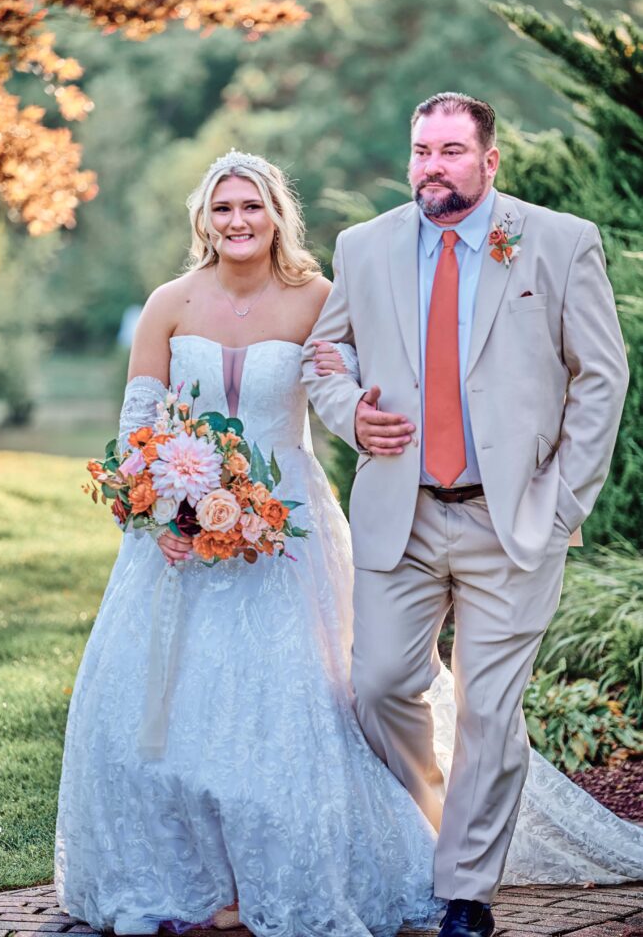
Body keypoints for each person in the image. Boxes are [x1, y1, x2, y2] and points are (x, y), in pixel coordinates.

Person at [55, 148, 643, 937]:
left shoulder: (316, 298)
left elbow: (361, 385)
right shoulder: (167, 303)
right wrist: (158, 513)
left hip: (287, 529)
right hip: (177, 543)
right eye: (224, 208)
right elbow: (136, 427)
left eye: (252, 207)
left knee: (297, 709)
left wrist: (376, 418)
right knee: (164, 718)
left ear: (276, 216)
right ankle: (181, 878)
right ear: (204, 218)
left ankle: (340, 864)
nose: (238, 221)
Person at [302, 91, 632, 937]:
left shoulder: (556, 241)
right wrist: (346, 413)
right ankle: (443, 825)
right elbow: (324, 352)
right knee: (377, 684)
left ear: (489, 161)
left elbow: (601, 376)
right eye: (421, 150)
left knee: (488, 708)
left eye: (451, 150)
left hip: (512, 520)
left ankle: (463, 891)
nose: (431, 166)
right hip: (399, 517)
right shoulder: (365, 245)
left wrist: (562, 500)